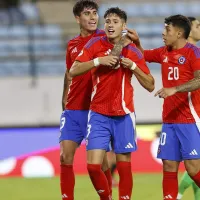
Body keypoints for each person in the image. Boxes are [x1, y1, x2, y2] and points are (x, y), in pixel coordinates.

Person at [70, 7, 155, 200]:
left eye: (115, 22)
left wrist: (133, 66)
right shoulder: (94, 44)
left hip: (124, 114)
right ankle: (106, 197)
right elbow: (74, 70)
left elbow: (150, 85)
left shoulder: (132, 51)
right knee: (93, 166)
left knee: (124, 167)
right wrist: (98, 60)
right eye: (107, 21)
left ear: (123, 26)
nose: (110, 25)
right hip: (98, 114)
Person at [126, 14, 200, 200]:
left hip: (189, 119)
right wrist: (137, 43)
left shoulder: (193, 53)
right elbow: (143, 56)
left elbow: (199, 79)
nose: (163, 33)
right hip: (169, 120)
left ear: (179, 33)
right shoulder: (164, 52)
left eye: (167, 29)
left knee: (193, 169)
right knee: (168, 165)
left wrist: (175, 89)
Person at [59, 1, 123, 199]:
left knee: (101, 163)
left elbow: (119, 52)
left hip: (97, 108)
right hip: (74, 107)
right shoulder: (72, 45)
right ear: (78, 18)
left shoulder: (106, 37)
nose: (93, 17)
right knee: (65, 156)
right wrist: (64, 97)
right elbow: (69, 73)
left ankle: (107, 197)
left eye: (95, 13)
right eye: (87, 14)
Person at [177, 16, 200, 200]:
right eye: (198, 26)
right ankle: (176, 194)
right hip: (192, 117)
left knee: (194, 166)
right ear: (188, 30)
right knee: (193, 167)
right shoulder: (183, 55)